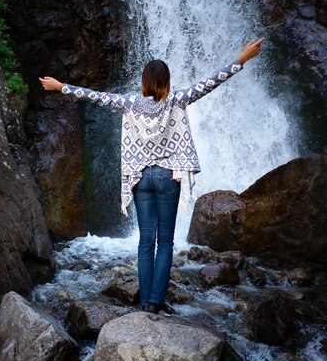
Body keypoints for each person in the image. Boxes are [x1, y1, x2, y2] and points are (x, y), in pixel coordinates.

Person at [40, 38, 264, 314]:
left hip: (140, 178)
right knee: (165, 241)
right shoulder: (178, 100)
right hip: (168, 177)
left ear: (144, 81)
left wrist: (61, 87)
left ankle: (145, 301)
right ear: (166, 81)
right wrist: (242, 58)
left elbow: (94, 96)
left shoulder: (130, 103)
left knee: (146, 240)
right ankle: (157, 301)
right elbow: (210, 82)